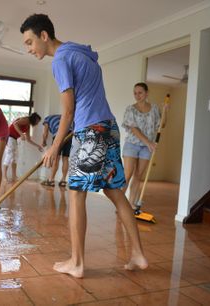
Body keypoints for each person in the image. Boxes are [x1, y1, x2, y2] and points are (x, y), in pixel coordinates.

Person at [20, 14, 148, 278]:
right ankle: (138, 254)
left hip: (90, 130)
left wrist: (54, 147)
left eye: (30, 42)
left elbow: (68, 111)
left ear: (44, 36)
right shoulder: (83, 54)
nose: (29, 48)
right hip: (108, 127)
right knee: (115, 191)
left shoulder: (61, 60)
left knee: (75, 193)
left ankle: (77, 262)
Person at [122, 82, 168, 208]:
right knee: (127, 175)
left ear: (147, 93)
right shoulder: (130, 109)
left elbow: (161, 125)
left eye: (140, 92)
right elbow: (134, 129)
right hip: (132, 144)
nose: (137, 95)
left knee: (138, 176)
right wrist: (149, 142)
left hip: (146, 148)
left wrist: (165, 111)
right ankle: (120, 204)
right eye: (135, 93)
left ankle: (131, 204)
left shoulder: (154, 109)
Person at [3, 113, 44, 183]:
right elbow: (15, 124)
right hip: (9, 137)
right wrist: (21, 134)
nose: (37, 123)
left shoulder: (28, 126)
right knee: (9, 156)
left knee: (15, 157)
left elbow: (28, 139)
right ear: (35, 119)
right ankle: (4, 177)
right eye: (38, 121)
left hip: (14, 139)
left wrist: (38, 146)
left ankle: (14, 176)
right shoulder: (26, 119)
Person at [41, 114, 72, 187]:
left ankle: (51, 180)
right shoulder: (62, 116)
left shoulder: (47, 119)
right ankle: (63, 180)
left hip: (59, 134)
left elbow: (45, 133)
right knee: (65, 158)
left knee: (56, 158)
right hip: (70, 135)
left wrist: (43, 141)